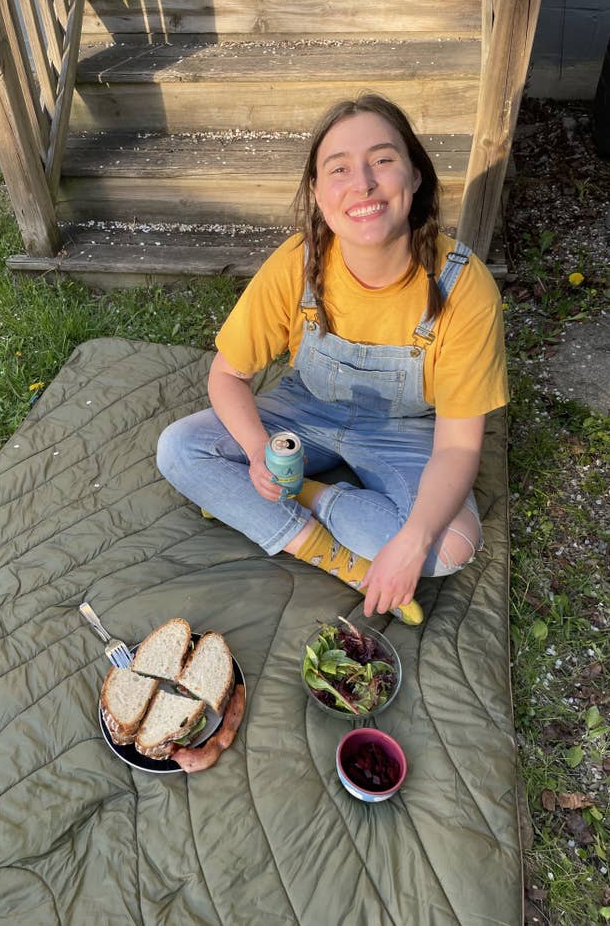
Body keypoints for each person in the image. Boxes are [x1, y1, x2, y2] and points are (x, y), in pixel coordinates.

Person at [157, 93, 508, 625]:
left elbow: (459, 445)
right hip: (306, 412)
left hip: (407, 430)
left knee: (450, 545)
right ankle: (329, 553)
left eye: (383, 160)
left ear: (415, 177)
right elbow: (228, 373)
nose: (363, 183)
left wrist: (411, 542)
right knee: (180, 448)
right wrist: (257, 454)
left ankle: (309, 494)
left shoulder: (465, 286)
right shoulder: (297, 264)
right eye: (338, 168)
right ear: (319, 194)